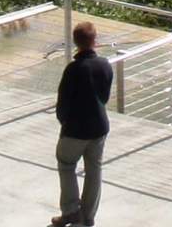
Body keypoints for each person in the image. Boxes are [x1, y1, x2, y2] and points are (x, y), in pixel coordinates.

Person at [53, 21, 113, 227]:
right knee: (94, 169)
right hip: (99, 127)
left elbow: (62, 103)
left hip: (75, 130)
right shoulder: (105, 65)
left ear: (75, 42)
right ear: (95, 40)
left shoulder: (73, 69)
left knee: (66, 163)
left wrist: (64, 122)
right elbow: (104, 97)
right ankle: (87, 218)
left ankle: (71, 211)